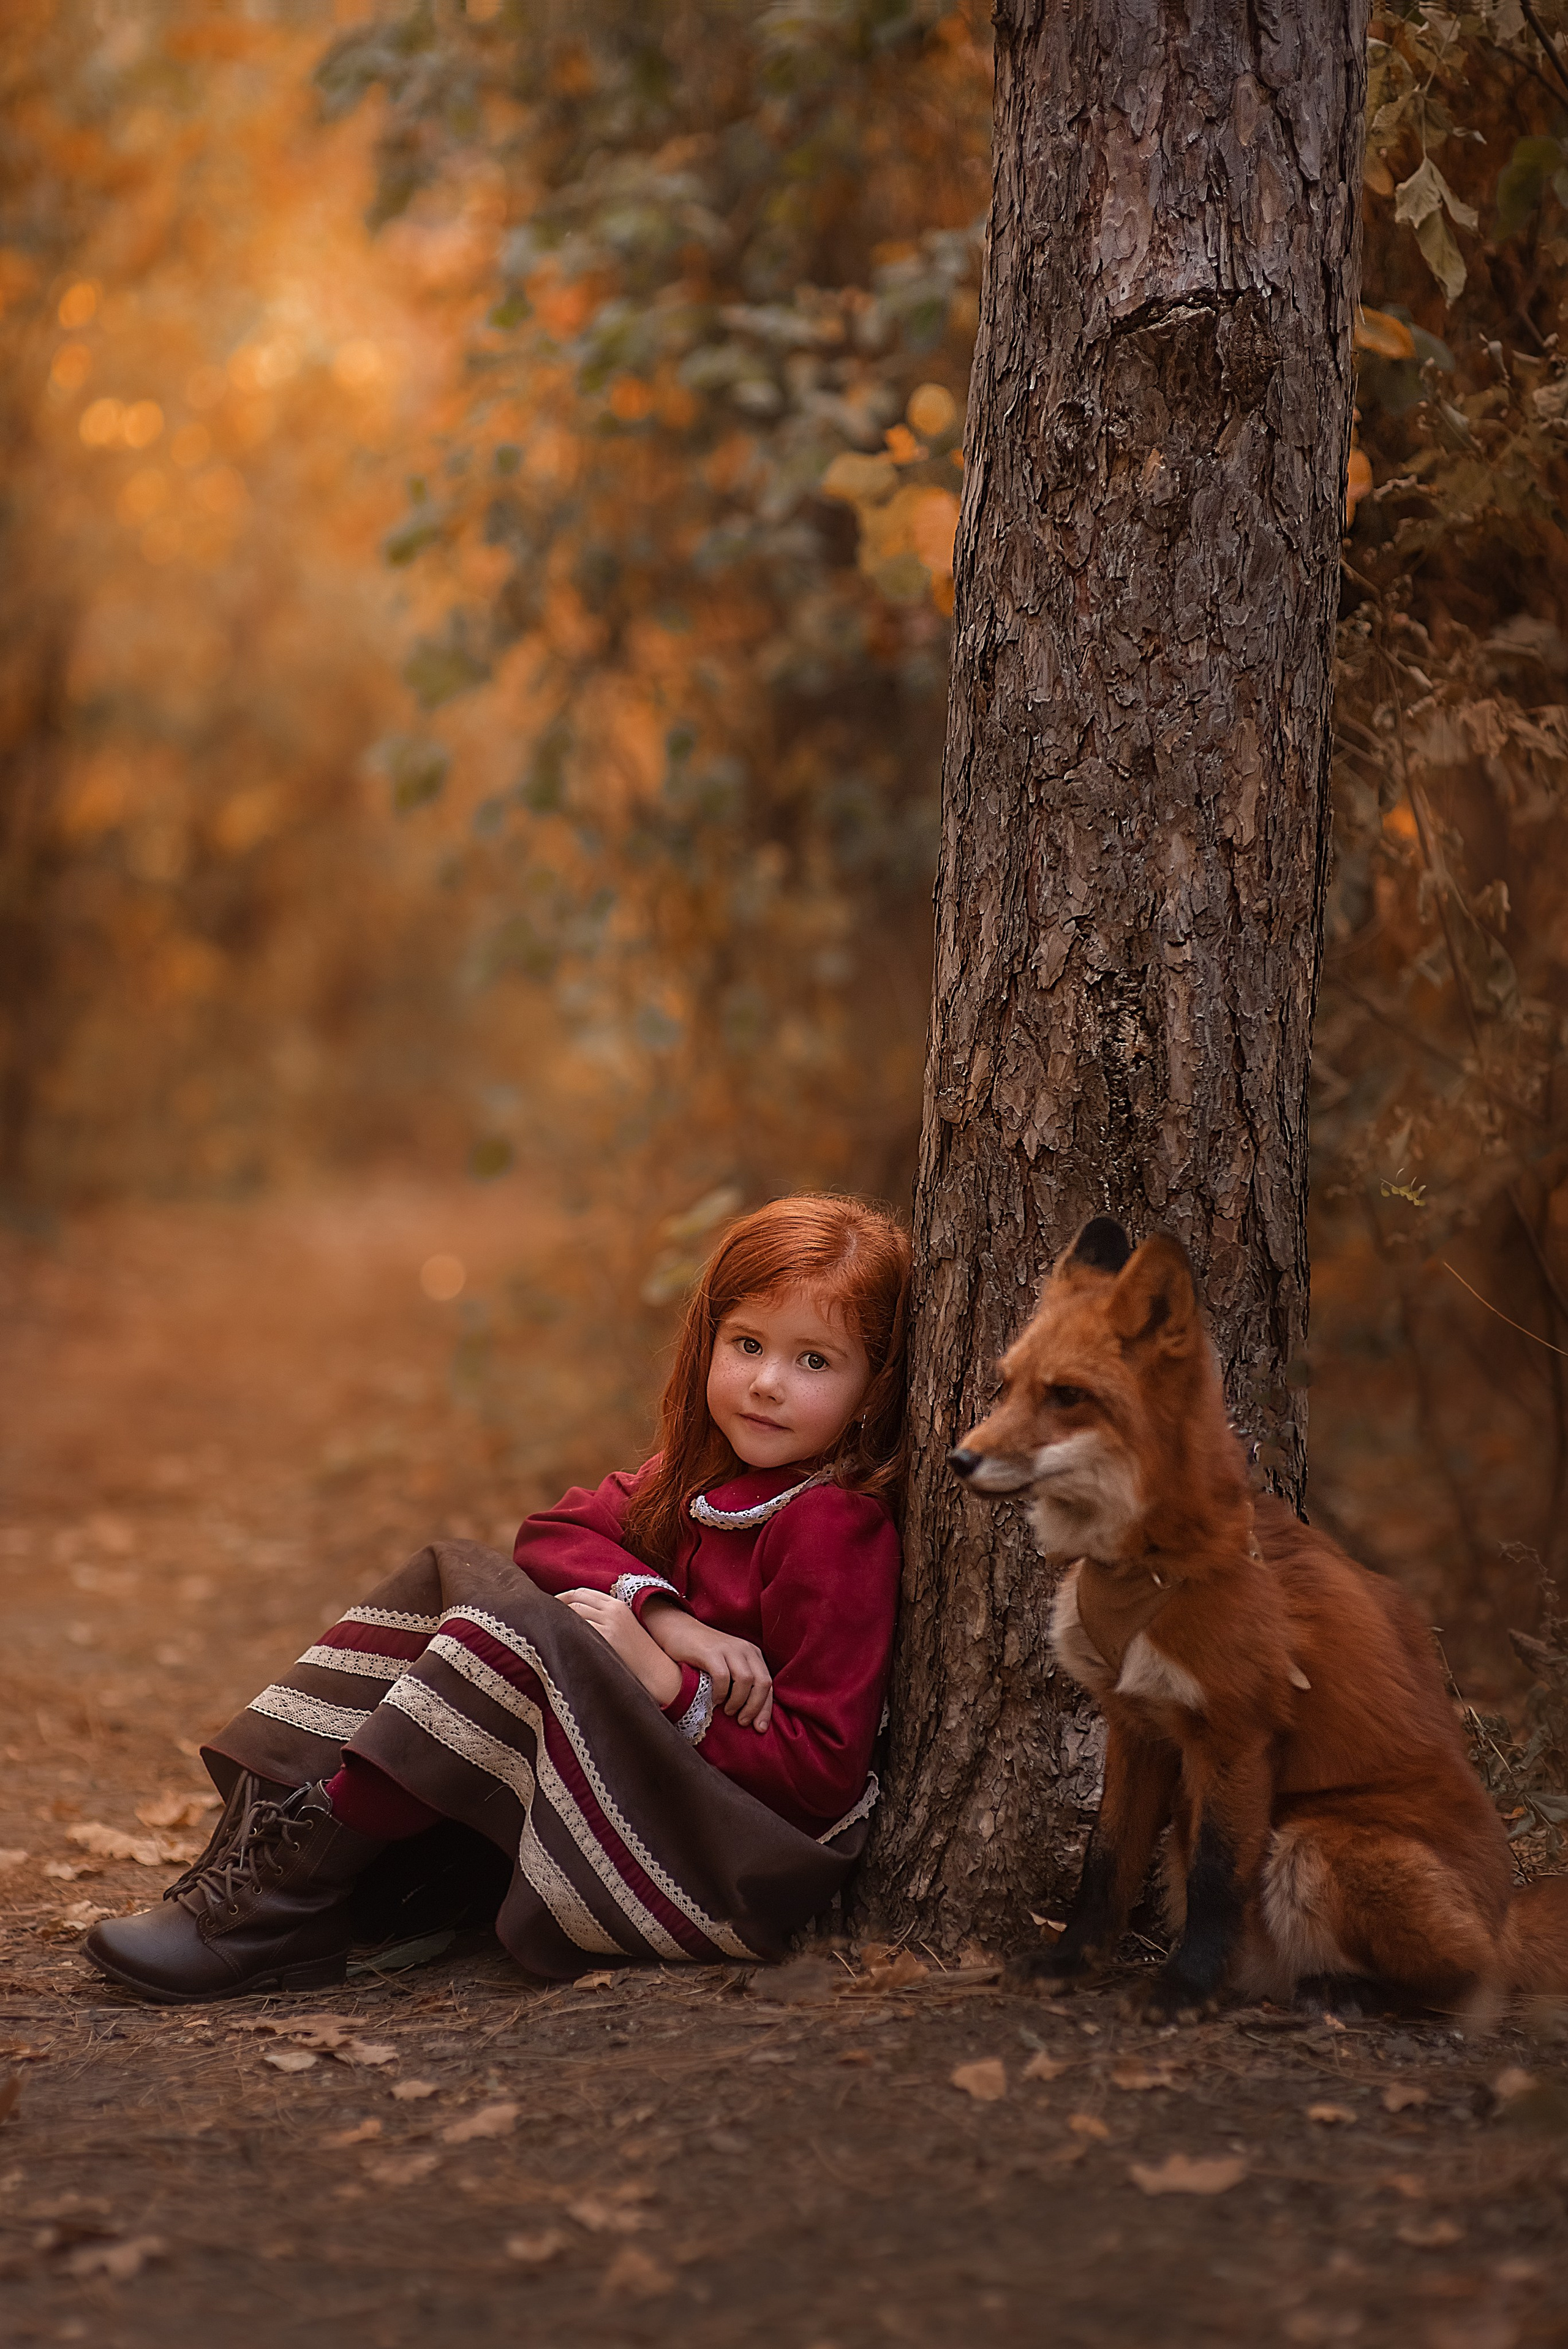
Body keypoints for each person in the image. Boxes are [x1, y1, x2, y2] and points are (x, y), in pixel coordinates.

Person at [84, 1194, 910, 2001]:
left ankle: (276, 1910)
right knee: (455, 1572)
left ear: (875, 1386)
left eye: (814, 1361)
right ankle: (282, 1871)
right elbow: (552, 1534)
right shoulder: (703, 1477)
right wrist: (671, 1622)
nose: (766, 1383)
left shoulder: (831, 1525)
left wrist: (668, 1686)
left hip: (735, 1863)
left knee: (508, 1633)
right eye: (748, 1343)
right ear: (707, 1346)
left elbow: (820, 1778)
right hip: (654, 1807)